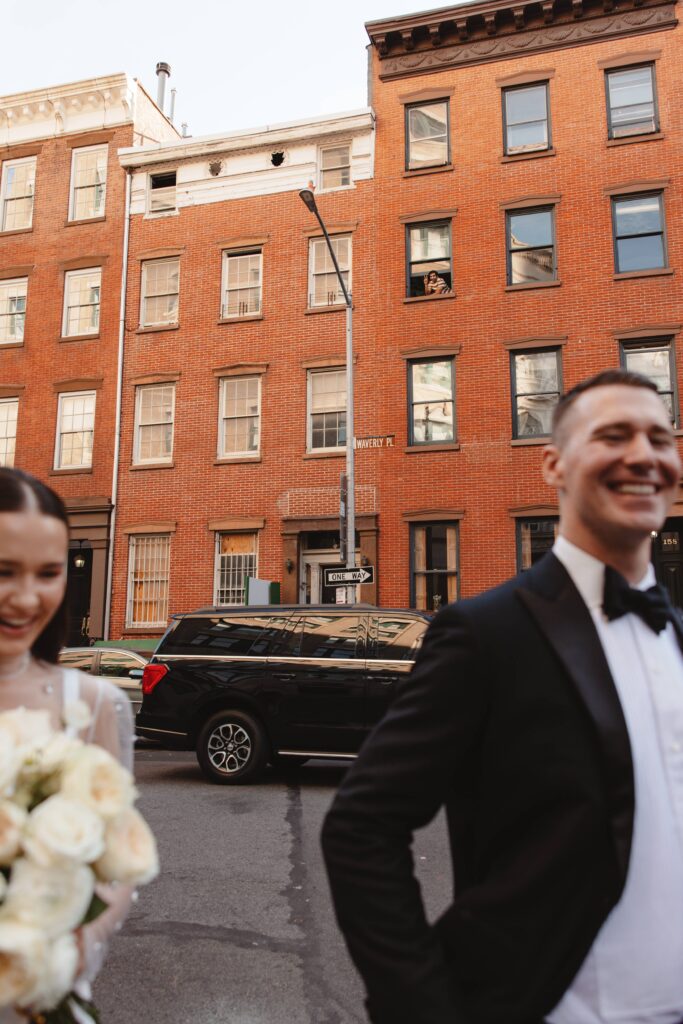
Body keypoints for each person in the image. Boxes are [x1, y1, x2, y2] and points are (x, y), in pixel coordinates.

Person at [322, 368, 683, 1024]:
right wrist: (423, 1006)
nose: (643, 455)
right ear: (553, 465)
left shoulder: (676, 635)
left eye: (660, 438)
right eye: (613, 435)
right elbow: (360, 826)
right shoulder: (486, 632)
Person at [0, 467, 135, 1023]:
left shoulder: (96, 703)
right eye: (4, 571)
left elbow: (118, 863)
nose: (26, 598)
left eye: (49, 573)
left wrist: (72, 945)